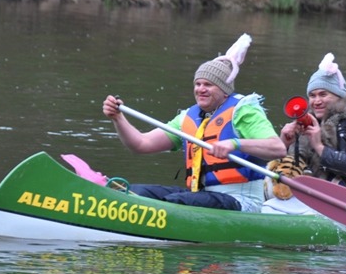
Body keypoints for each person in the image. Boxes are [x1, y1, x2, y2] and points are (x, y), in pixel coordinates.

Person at [102, 33, 286, 213]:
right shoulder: (188, 118)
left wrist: (234, 143)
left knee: (175, 202)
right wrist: (118, 118)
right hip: (199, 196)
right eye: (197, 84)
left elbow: (277, 148)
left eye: (208, 84)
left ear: (224, 90)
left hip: (241, 202)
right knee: (137, 192)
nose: (200, 89)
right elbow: (141, 144)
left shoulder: (243, 111)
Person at [264, 53, 346, 213]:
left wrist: (319, 146)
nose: (317, 101)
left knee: (274, 210)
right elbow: (293, 170)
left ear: (339, 96)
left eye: (323, 94)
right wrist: (286, 144)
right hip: (322, 196)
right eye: (312, 95)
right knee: (269, 205)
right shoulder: (308, 123)